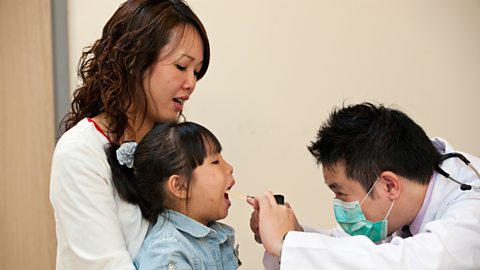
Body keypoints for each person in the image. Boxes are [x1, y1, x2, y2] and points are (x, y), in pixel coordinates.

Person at [49, 0, 210, 269]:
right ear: (134, 59)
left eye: (197, 71)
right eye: (182, 67)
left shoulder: (167, 149)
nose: (191, 83)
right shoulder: (81, 150)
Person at [249, 102, 480, 269]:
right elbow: (349, 249)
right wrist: (295, 234)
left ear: (389, 185)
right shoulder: (404, 203)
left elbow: (401, 263)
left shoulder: (471, 213)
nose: (339, 204)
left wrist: (287, 244)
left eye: (341, 192)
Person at [105, 121, 239, 269]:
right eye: (215, 162)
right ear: (180, 186)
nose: (229, 168)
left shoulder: (218, 236)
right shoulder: (167, 254)